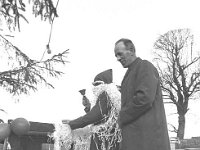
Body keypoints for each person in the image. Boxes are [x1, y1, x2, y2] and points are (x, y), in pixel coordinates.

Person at [114, 38, 171, 150]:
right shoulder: (130, 73)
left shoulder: (144, 66)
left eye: (120, 54)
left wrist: (121, 117)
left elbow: (144, 98)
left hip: (146, 139)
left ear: (131, 50)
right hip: (136, 138)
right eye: (116, 56)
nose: (118, 58)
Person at [62, 69, 121, 150]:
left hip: (104, 139)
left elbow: (96, 115)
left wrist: (73, 123)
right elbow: (103, 115)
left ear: (104, 84)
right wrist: (88, 106)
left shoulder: (105, 94)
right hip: (109, 138)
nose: (94, 87)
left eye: (96, 84)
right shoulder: (112, 95)